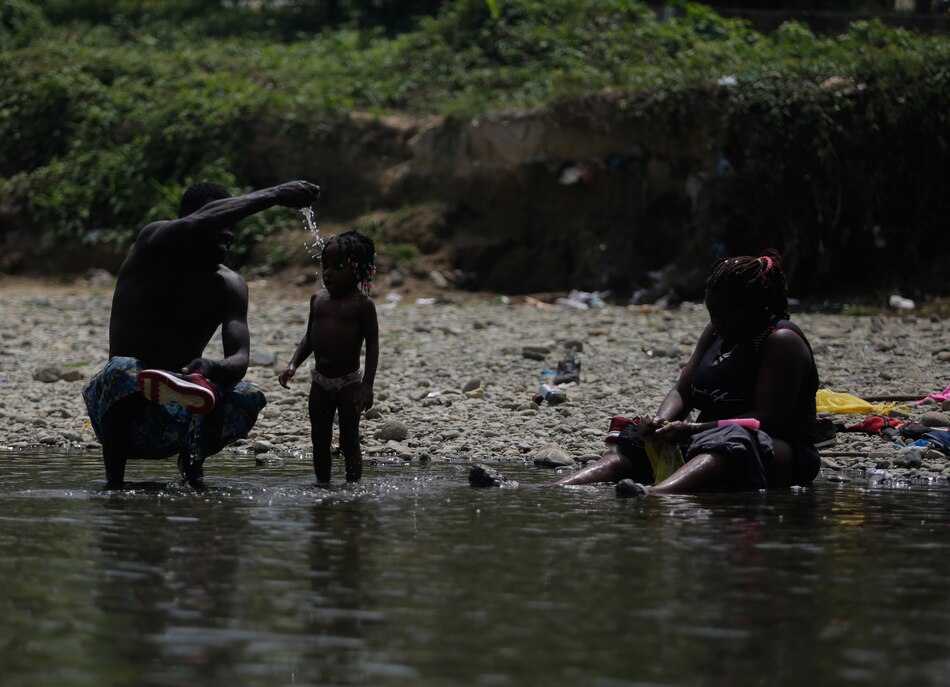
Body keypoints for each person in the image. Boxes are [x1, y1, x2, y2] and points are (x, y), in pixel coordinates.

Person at [470, 250, 821, 495]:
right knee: (634, 439)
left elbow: (767, 419)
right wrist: (660, 422)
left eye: (725, 316)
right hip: (703, 434)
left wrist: (694, 428)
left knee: (731, 444)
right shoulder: (718, 332)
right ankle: (546, 489)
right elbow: (682, 390)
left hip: (777, 448)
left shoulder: (781, 342)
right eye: (712, 315)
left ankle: (657, 494)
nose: (717, 324)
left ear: (755, 309)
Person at [83, 180, 321, 488]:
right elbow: (198, 221)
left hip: (180, 412)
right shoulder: (152, 245)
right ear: (193, 223)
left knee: (246, 396)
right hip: (124, 410)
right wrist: (275, 195)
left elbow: (239, 357)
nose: (229, 233)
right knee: (122, 370)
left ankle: (192, 470)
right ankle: (114, 485)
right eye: (222, 222)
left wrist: (210, 367)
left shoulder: (230, 284)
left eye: (232, 226)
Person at [277, 230, 380, 484]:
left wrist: (367, 384)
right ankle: (322, 485)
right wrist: (293, 364)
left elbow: (373, 345)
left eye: (338, 266)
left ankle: (353, 488)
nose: (328, 272)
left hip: (349, 383)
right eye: (325, 265)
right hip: (320, 382)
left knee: (349, 439)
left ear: (358, 270)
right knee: (319, 438)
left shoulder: (362, 305)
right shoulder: (317, 300)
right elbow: (309, 338)